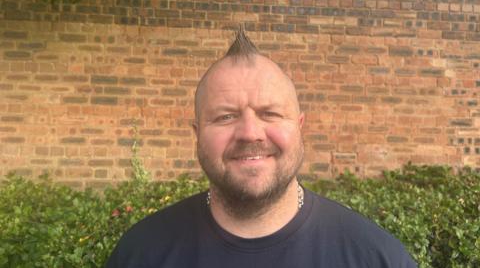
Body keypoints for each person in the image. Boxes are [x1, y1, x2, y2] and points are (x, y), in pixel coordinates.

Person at [105, 27, 417, 268]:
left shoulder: (374, 257)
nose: (250, 132)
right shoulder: (142, 253)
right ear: (197, 134)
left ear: (299, 126)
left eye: (269, 114)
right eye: (225, 116)